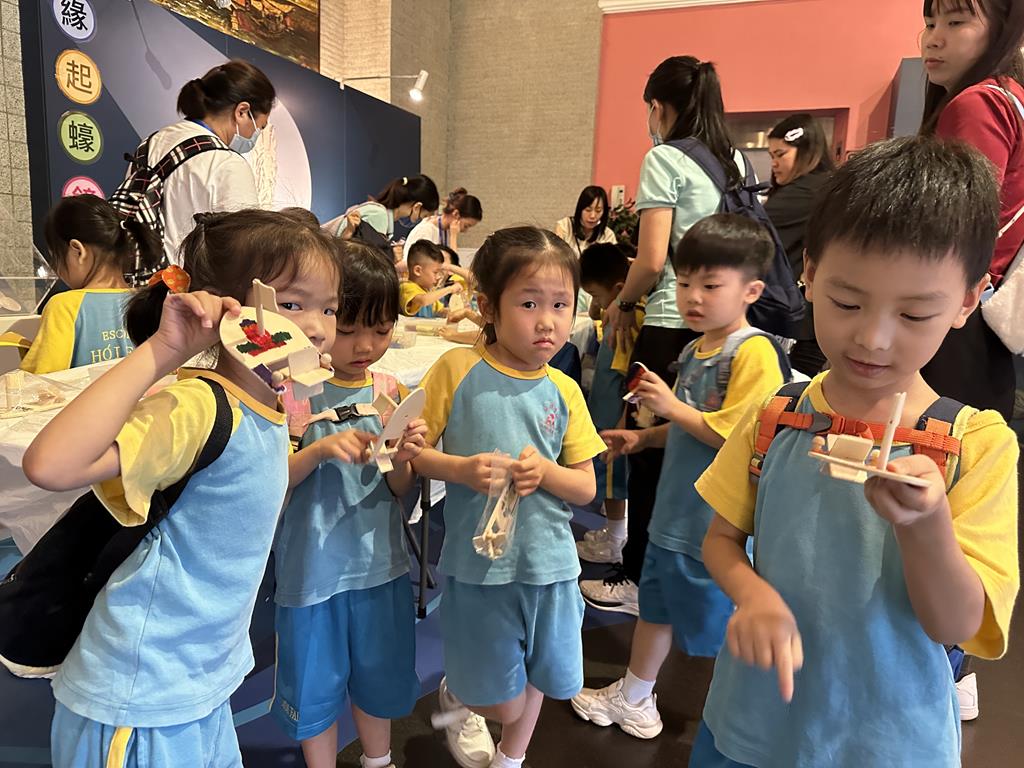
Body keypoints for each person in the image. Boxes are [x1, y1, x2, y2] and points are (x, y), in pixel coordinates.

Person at [689, 137, 1019, 768]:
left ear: (968, 300)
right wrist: (754, 595)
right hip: (753, 720)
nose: (873, 338)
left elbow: (955, 626)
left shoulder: (975, 445)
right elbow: (721, 541)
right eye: (847, 302)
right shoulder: (776, 415)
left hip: (888, 743)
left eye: (914, 315)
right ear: (810, 272)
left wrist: (926, 523)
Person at [22, 210, 342, 768]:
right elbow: (50, 465)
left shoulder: (269, 404)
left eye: (329, 308)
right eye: (293, 304)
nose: (316, 326)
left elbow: (244, 496)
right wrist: (165, 349)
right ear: (225, 307)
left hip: (199, 683)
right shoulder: (197, 406)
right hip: (140, 696)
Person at [571, 214, 788, 739]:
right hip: (673, 517)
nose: (692, 297)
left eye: (710, 286)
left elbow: (738, 433)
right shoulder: (695, 348)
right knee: (656, 606)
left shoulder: (754, 351)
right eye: (684, 283)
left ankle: (745, 720)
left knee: (715, 623)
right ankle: (635, 697)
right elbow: (694, 428)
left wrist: (670, 406)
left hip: (710, 526)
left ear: (751, 290)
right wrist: (645, 438)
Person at [413, 227, 606, 768]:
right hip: (482, 567)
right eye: (528, 303)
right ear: (488, 307)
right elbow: (413, 452)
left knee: (547, 674)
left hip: (550, 564)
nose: (547, 322)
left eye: (561, 305)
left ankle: (511, 758)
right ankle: (460, 694)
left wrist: (545, 472)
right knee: (503, 699)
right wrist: (460, 469)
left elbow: (586, 486)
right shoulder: (457, 369)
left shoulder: (565, 389)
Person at [582, 56, 747, 617]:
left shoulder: (666, 157)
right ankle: (678, 572)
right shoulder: (733, 160)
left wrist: (624, 302)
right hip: (722, 328)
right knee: (692, 450)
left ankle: (635, 577)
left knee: (645, 449)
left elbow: (653, 260)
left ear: (658, 106)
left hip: (669, 324)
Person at [272, 241, 427, 768]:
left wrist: (403, 455)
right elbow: (271, 483)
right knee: (313, 693)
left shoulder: (389, 390)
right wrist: (317, 450)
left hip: (381, 567)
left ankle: (377, 760)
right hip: (312, 572)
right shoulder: (292, 392)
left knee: (378, 679)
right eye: (349, 327)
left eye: (381, 330)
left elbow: (398, 487)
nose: (365, 345)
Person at [918, 0, 1024, 421]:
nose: (933, 38)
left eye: (956, 22)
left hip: (954, 312)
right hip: (986, 313)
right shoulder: (1012, 96)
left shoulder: (979, 102)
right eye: (930, 23)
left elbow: (953, 226)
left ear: (1002, 29)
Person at [147, 60, 275, 265]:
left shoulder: (151, 143)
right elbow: (244, 252)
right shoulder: (227, 163)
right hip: (187, 283)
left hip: (137, 280)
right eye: (260, 126)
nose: (256, 134)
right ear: (242, 112)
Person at [21, 195, 161, 374]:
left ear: (78, 251)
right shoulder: (148, 299)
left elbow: (41, 378)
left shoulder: (64, 307)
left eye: (55, 257)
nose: (56, 268)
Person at [574, 243, 638, 565]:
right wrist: (605, 301)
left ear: (618, 288)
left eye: (597, 296)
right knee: (610, 477)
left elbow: (630, 377)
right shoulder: (616, 310)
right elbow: (594, 313)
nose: (596, 304)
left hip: (614, 415)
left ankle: (616, 540)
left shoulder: (628, 319)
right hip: (605, 411)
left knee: (614, 481)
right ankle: (615, 531)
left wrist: (623, 420)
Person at [764, 114, 835, 377]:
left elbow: (752, 238)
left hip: (799, 324)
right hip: (816, 317)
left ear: (806, 151)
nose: (774, 163)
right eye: (771, 155)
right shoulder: (829, 187)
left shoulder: (805, 192)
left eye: (780, 154)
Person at [554, 186, 619, 314]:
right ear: (580, 209)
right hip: (565, 286)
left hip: (594, 292)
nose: (593, 215)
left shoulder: (607, 235)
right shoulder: (564, 226)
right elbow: (556, 259)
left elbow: (610, 271)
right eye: (588, 210)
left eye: (598, 210)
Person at [326, 175, 440, 247]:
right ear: (417, 207)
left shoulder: (378, 213)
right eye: (423, 216)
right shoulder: (379, 217)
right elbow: (365, 261)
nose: (420, 220)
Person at [403, 187, 483, 259]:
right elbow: (452, 264)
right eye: (466, 226)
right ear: (456, 214)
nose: (465, 231)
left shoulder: (446, 230)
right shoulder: (426, 230)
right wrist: (453, 236)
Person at [400, 240, 462, 318]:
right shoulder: (406, 287)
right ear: (418, 271)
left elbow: (441, 311)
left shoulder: (427, 291)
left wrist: (453, 312)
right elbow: (423, 300)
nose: (438, 277)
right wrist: (450, 289)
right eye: (435, 272)